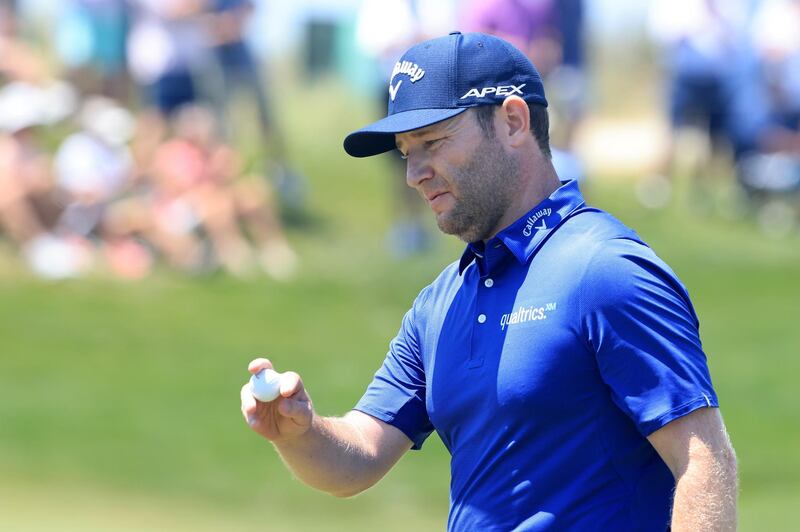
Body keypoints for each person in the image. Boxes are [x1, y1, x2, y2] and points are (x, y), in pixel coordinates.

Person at [240, 32, 738, 530]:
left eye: (432, 142)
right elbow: (360, 455)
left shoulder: (604, 270)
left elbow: (703, 460)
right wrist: (298, 433)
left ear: (513, 122)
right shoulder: (442, 301)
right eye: (404, 152)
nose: (413, 173)